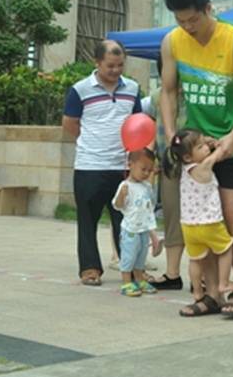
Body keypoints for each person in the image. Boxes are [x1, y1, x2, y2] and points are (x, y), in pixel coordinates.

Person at [161, 0, 233, 319]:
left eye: (193, 20)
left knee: (232, 216)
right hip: (198, 147)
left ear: (208, 9)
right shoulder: (173, 41)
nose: (187, 27)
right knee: (202, 219)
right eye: (180, 21)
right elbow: (169, 91)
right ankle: (210, 294)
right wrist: (172, 133)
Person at [62, 40, 142, 287]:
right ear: (97, 63)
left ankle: (131, 268)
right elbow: (70, 124)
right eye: (110, 66)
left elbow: (137, 122)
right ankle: (89, 268)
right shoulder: (80, 89)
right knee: (88, 219)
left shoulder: (132, 88)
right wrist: (93, 144)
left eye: (120, 65)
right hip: (90, 166)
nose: (116, 71)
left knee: (126, 221)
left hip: (122, 167)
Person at [169, 129, 233, 316]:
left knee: (195, 260)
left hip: (188, 226)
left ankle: (197, 291)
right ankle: (223, 283)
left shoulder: (184, 169)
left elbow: (200, 153)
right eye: (200, 146)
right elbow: (218, 155)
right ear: (187, 156)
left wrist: (206, 143)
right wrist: (221, 146)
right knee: (226, 249)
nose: (206, 149)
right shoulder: (203, 168)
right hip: (210, 224)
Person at [142, 54, 187, 290]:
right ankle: (172, 274)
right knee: (172, 217)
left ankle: (202, 276)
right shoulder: (157, 97)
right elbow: (150, 127)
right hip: (169, 164)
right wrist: (149, 158)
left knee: (201, 219)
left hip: (195, 165)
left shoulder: (194, 96)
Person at [111, 149, 162, 297]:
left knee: (141, 256)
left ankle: (139, 279)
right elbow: (118, 206)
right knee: (129, 255)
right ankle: (126, 282)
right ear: (130, 165)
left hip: (144, 229)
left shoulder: (146, 186)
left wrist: (152, 232)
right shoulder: (125, 185)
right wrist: (122, 195)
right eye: (143, 169)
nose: (146, 173)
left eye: (149, 170)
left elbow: (149, 208)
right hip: (130, 229)